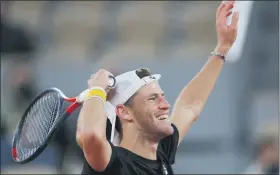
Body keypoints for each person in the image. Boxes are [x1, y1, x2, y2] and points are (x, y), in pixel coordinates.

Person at [76, 1, 239, 174]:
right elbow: (91, 136)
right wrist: (97, 90)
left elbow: (190, 106)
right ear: (124, 112)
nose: (165, 105)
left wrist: (222, 48)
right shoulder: (113, 163)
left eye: (162, 96)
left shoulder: (160, 151)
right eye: (152, 98)